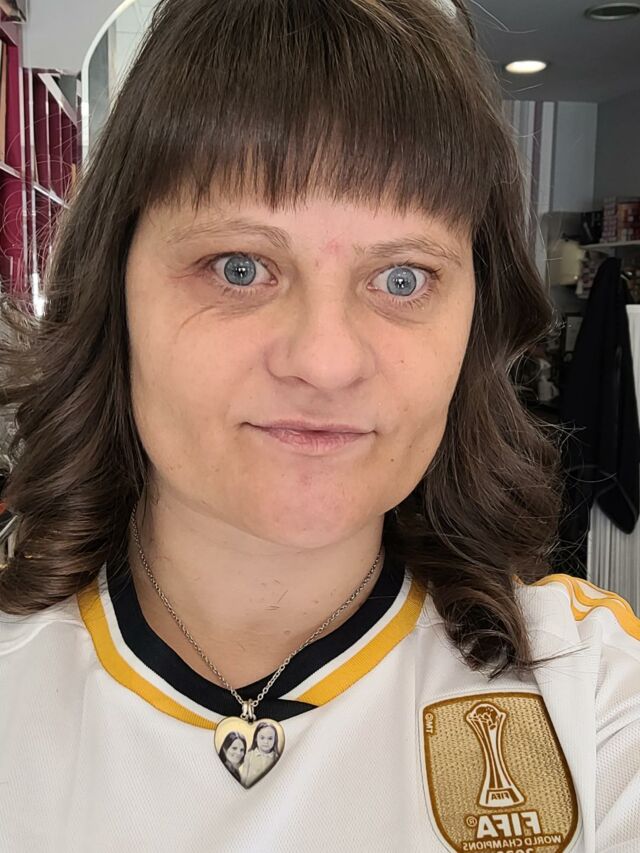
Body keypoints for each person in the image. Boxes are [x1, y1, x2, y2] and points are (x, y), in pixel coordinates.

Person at [0, 0, 638, 849]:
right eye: (239, 266)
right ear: (114, 289)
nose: (327, 361)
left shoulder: (590, 691)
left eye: (403, 278)